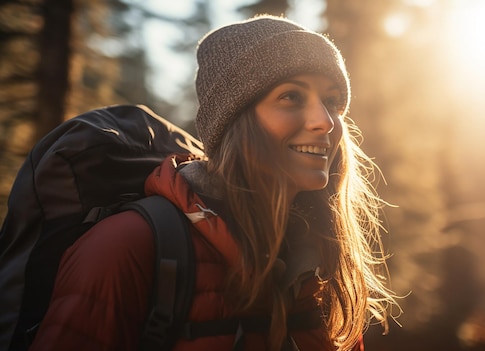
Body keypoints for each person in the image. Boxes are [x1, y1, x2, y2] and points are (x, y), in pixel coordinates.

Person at [29, 15, 397, 351]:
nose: (326, 121)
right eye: (290, 96)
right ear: (234, 122)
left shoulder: (320, 262)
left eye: (332, 101)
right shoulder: (126, 246)